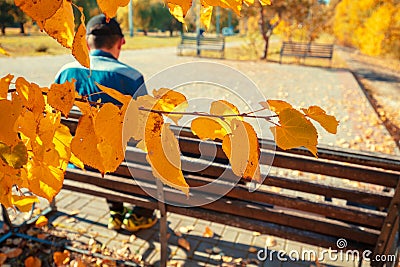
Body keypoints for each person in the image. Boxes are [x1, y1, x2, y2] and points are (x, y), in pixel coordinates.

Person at [55, 14, 157, 232]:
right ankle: (139, 215)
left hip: (77, 165)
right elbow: (145, 130)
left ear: (86, 42)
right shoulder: (131, 76)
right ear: (120, 42)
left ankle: (116, 211)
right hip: (123, 169)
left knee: (103, 145)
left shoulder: (65, 71)